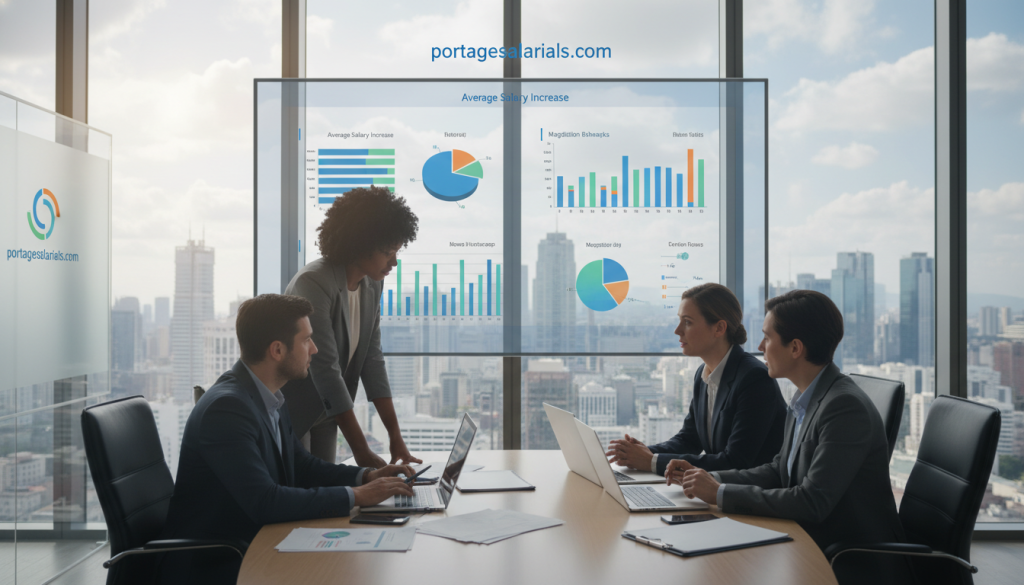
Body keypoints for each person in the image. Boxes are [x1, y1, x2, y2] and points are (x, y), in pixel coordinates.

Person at [160, 295, 416, 585]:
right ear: (278, 350)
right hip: (217, 561)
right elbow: (265, 501)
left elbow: (300, 465)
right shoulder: (227, 409)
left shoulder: (268, 396)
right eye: (307, 340)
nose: (315, 349)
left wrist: (366, 477)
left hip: (256, 542)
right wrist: (357, 497)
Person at [666, 290, 913, 585]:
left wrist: (718, 493)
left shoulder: (844, 407)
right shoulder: (805, 398)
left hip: (850, 556)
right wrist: (709, 479)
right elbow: (778, 469)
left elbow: (812, 501)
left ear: (795, 348)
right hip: (808, 537)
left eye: (767, 338)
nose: (759, 346)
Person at [282, 186, 421, 468]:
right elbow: (326, 369)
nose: (394, 262)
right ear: (359, 244)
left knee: (327, 494)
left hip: (329, 410)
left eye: (396, 251)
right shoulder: (314, 282)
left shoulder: (373, 283)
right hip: (293, 410)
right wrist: (361, 451)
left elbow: (372, 358)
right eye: (387, 252)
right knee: (306, 494)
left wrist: (396, 437)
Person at [606, 283, 786, 475]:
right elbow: (689, 440)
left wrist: (652, 461)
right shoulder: (703, 374)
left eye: (687, 322)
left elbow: (735, 460)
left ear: (719, 328)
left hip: (751, 497)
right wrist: (642, 452)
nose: (677, 330)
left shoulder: (754, 379)